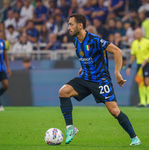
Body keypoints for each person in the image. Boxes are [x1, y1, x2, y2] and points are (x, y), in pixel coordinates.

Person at [59, 13, 141, 145]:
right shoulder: (76, 41)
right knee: (63, 92)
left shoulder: (94, 40)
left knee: (114, 111)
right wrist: (83, 67)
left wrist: (117, 72)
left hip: (100, 80)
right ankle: (70, 128)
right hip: (85, 77)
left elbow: (117, 51)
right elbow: (86, 57)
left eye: (71, 24)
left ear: (80, 25)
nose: (68, 27)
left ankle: (134, 138)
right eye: (68, 24)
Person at [126, 28, 149, 107]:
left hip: (147, 64)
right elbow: (133, 55)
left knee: (147, 82)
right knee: (140, 82)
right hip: (139, 65)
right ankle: (142, 102)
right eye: (135, 33)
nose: (136, 34)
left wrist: (147, 59)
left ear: (142, 34)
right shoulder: (134, 43)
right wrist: (129, 66)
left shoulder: (147, 42)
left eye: (138, 33)